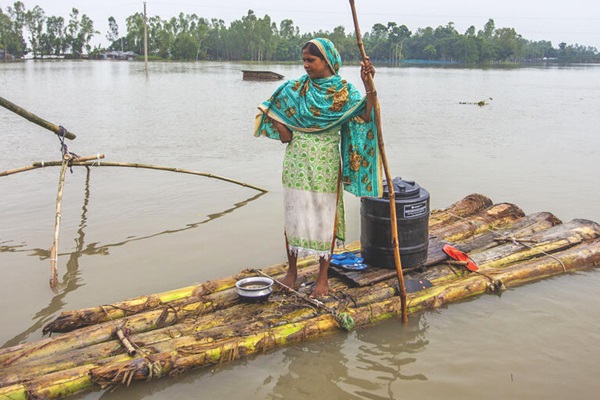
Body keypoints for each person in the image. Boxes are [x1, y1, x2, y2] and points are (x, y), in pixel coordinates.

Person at [254, 38, 382, 298]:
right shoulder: (296, 88)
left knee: (325, 217)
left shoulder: (345, 92)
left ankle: (322, 278)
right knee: (293, 215)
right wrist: (280, 125)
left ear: (327, 61)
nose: (305, 65)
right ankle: (292, 272)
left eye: (311, 60)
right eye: (304, 60)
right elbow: (273, 114)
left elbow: (365, 116)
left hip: (325, 162)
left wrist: (369, 86)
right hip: (296, 161)